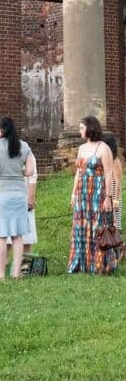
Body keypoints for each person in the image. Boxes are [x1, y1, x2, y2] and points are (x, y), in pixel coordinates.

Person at [0, 116, 36, 281]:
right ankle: (16, 272)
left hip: (0, 191)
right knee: (17, 235)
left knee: (0, 235)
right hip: (19, 192)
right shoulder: (24, 146)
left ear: (0, 129)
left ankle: (1, 274)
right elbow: (29, 172)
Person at [68, 116, 117, 274]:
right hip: (82, 194)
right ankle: (81, 263)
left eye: (82, 128)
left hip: (97, 193)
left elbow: (109, 174)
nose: (80, 131)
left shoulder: (103, 148)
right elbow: (78, 172)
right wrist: (74, 193)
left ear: (91, 128)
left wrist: (108, 197)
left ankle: (99, 264)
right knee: (81, 226)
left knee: (97, 226)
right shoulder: (82, 149)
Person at [103, 132, 122, 232]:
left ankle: (117, 247)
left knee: (114, 225)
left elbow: (118, 183)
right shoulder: (107, 160)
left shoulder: (115, 161)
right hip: (107, 194)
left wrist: (115, 201)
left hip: (114, 196)